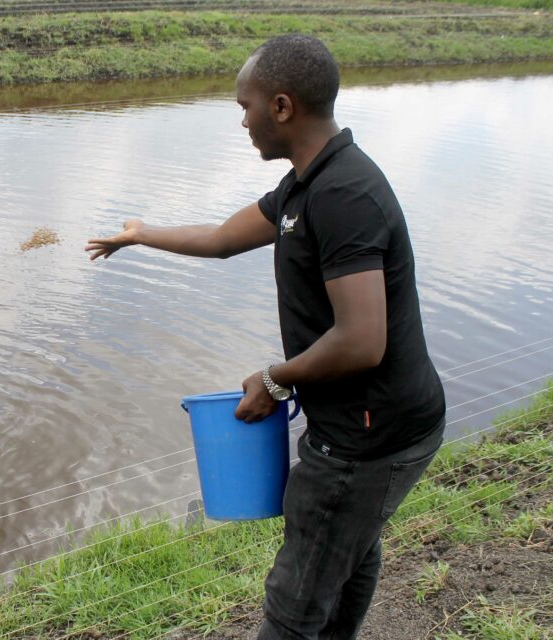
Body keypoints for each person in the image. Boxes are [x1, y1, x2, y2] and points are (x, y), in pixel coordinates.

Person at [85, 34, 446, 639]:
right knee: (345, 555)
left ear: (282, 107)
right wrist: (142, 234)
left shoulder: (344, 194)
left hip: (367, 436)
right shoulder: (305, 184)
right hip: (365, 422)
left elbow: (363, 341)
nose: (242, 121)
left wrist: (275, 380)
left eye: (245, 106)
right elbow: (224, 239)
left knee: (296, 598)